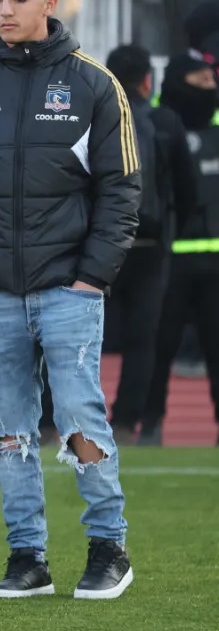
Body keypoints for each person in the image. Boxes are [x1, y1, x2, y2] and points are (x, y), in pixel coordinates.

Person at [0, 0, 140, 600]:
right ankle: (28, 558)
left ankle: (108, 547)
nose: (4, 10)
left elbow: (122, 189)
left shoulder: (94, 84)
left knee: (80, 419)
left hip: (68, 289)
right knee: (10, 430)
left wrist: (92, 276)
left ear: (50, 2)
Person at [104, 45, 195, 443]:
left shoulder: (92, 117)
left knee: (76, 339)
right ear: (147, 80)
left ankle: (63, 422)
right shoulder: (164, 121)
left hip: (101, 245)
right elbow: (186, 187)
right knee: (143, 341)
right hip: (150, 243)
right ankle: (125, 424)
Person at [144, 53, 219, 445]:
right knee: (158, 349)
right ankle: (149, 425)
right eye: (201, 80)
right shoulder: (153, 124)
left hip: (216, 260)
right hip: (169, 259)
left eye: (212, 80)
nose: (210, 87)